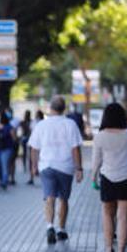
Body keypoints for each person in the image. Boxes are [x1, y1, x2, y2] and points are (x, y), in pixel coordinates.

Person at [29, 95, 84, 244]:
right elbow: (75, 149)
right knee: (64, 199)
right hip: (65, 167)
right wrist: (79, 168)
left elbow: (34, 148)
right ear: (64, 108)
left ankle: (49, 226)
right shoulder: (70, 124)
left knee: (49, 197)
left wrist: (34, 166)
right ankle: (61, 229)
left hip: (46, 166)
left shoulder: (41, 125)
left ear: (50, 108)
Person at [91, 102, 127, 252]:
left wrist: (93, 178)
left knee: (107, 215)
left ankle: (109, 250)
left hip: (107, 178)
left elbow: (96, 161)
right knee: (123, 216)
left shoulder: (100, 136)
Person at [19, 110, 34, 185]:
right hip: (26, 138)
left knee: (26, 154)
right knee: (26, 153)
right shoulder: (25, 122)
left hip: (27, 138)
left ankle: (26, 166)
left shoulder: (27, 122)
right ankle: (26, 166)